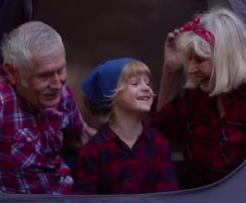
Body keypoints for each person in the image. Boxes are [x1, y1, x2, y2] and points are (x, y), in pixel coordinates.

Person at [0, 21, 94, 194]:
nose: (57, 84)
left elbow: (80, 136)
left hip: (65, 191)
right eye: (44, 76)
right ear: (12, 72)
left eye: (60, 70)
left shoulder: (59, 91)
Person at [152, 7, 246, 188]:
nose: (191, 69)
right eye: (189, 60)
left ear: (226, 59)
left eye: (200, 60)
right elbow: (161, 132)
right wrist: (171, 70)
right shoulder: (201, 96)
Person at [72, 58, 179, 194]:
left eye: (147, 83)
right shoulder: (93, 151)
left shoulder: (159, 143)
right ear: (111, 93)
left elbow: (169, 195)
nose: (146, 88)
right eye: (135, 83)